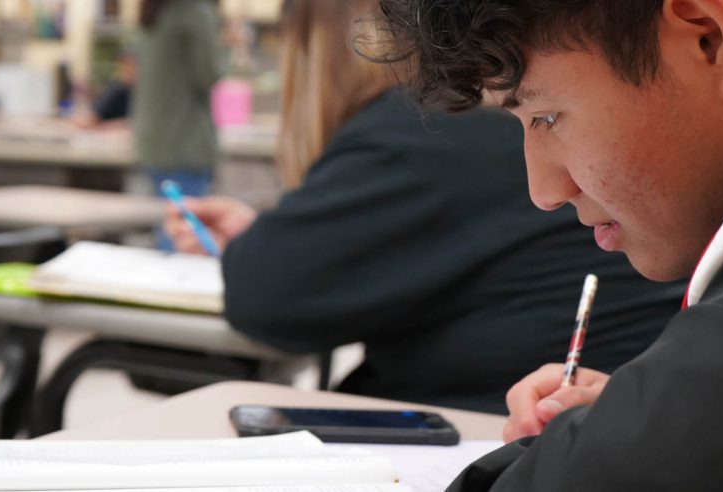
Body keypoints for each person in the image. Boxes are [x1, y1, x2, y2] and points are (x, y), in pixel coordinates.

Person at [373, 0, 723, 489]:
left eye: (547, 117)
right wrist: (660, 408)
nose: (545, 192)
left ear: (707, 39)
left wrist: (651, 430)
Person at [165, 0, 684, 414]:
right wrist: (264, 230)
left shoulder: (417, 130)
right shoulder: (458, 134)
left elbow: (267, 294)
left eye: (546, 120)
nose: (545, 192)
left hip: (518, 421)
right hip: (568, 404)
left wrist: (265, 242)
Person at [133, 0, 222, 245]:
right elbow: (207, 75)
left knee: (169, 232)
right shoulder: (195, 12)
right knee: (185, 241)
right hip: (184, 143)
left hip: (154, 142)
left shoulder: (156, 11)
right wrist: (229, 45)